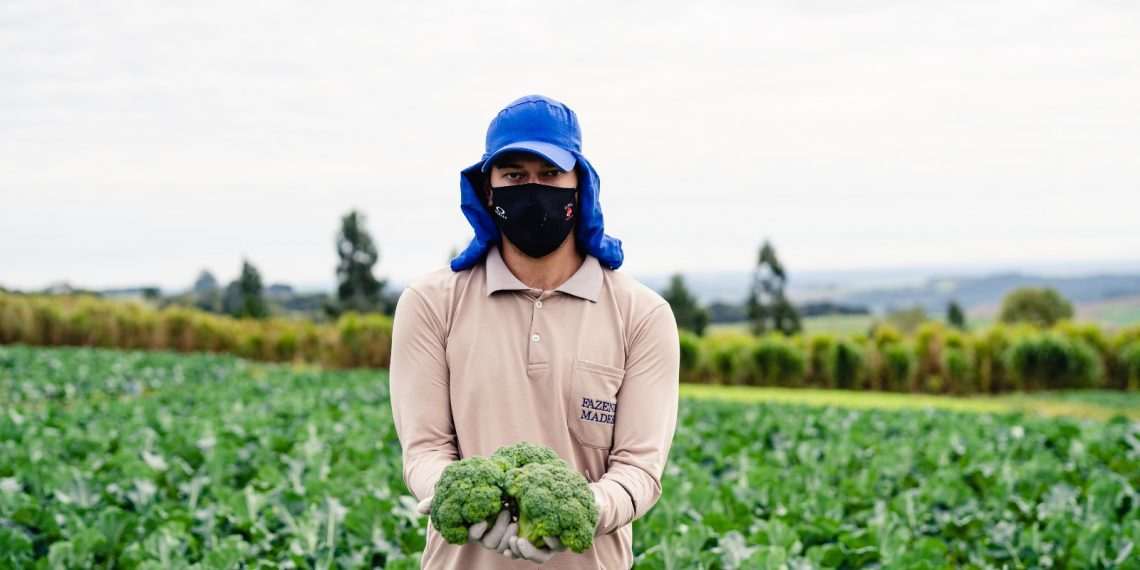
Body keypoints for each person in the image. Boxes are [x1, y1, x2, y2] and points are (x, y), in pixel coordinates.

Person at [389, 94, 680, 569]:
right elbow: (425, 450)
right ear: (488, 191)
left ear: (580, 186)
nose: (533, 190)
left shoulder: (642, 315)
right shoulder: (430, 303)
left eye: (549, 174)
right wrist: (462, 501)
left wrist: (587, 509)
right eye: (514, 176)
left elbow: (639, 469)